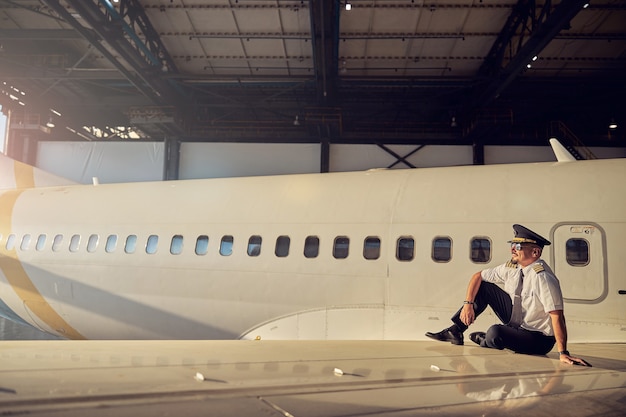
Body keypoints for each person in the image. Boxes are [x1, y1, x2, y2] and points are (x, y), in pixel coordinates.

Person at [425, 224, 591, 366]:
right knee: (484, 287)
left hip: (537, 339)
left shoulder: (543, 278)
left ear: (535, 252)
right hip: (517, 322)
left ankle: (487, 341)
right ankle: (455, 330)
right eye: (513, 244)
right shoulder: (512, 268)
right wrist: (468, 304)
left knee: (496, 332)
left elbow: (557, 316)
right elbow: (477, 276)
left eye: (518, 247)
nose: (513, 249)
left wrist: (563, 352)